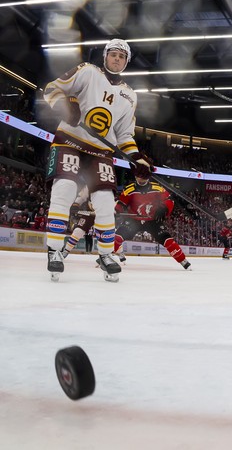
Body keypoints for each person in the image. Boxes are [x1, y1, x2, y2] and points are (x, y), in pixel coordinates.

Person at [43, 38, 151, 282]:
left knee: (104, 200)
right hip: (69, 141)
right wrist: (64, 106)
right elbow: (51, 89)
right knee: (64, 188)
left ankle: (105, 254)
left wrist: (136, 158)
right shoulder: (87, 72)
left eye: (122, 56)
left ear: (126, 62)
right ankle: (54, 250)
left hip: (101, 151)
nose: (117, 59)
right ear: (105, 56)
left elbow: (124, 135)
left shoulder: (130, 96)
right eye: (113, 54)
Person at [113, 171, 191, 270]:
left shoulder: (157, 188)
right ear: (135, 176)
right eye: (139, 176)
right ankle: (106, 257)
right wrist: (116, 211)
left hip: (152, 220)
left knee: (167, 240)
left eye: (143, 176)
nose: (141, 179)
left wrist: (164, 208)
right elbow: (121, 204)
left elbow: (169, 200)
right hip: (134, 221)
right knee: (118, 237)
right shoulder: (129, 189)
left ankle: (183, 261)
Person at [62, 183, 98, 258]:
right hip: (89, 214)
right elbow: (81, 196)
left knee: (107, 234)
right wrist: (76, 205)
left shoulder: (107, 185)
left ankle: (107, 254)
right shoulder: (89, 185)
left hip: (103, 215)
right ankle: (65, 251)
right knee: (78, 231)